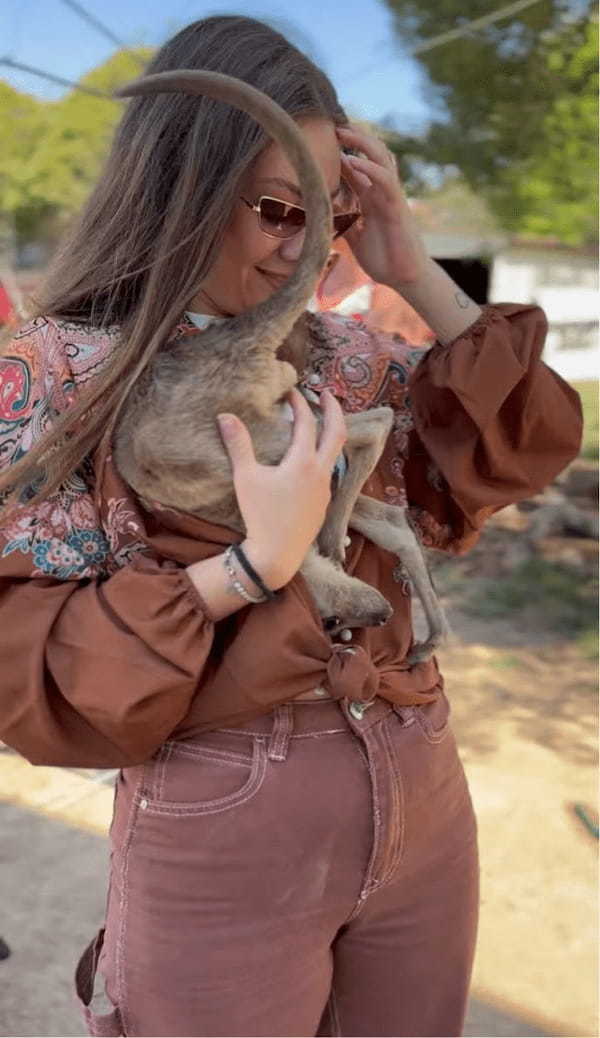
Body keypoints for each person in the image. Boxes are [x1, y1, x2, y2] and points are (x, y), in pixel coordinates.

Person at [0, 15, 582, 1038]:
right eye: (280, 210)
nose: (308, 249)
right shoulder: (57, 372)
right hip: (228, 814)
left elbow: (527, 445)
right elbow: (32, 675)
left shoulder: (348, 354)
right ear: (186, 190)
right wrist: (247, 567)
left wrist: (412, 267)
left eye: (333, 217)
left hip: (419, 777)